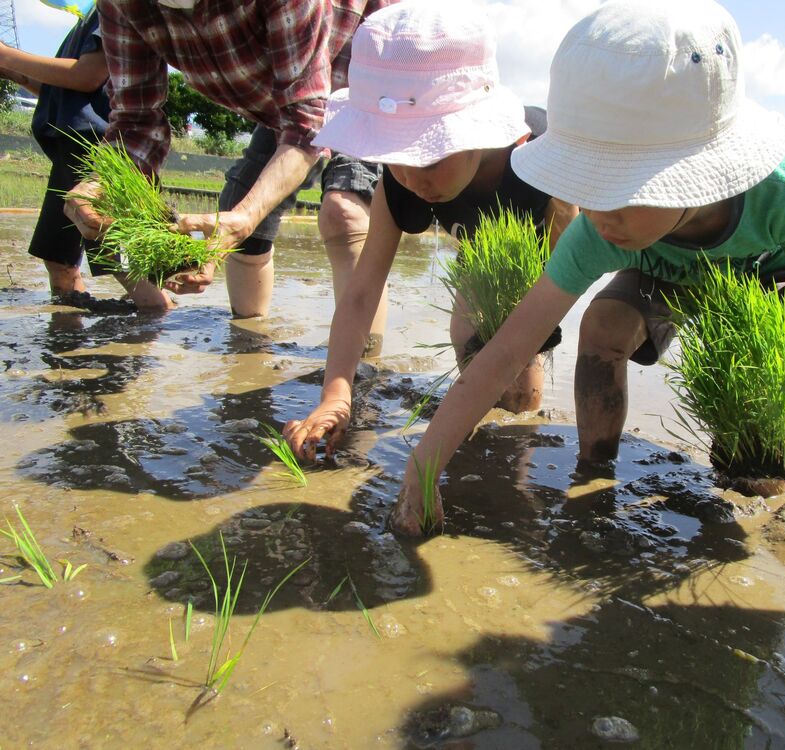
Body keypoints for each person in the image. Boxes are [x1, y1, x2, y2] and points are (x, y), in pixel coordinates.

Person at [389, 0, 785, 535]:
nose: (595, 211)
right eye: (585, 185)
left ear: (696, 168)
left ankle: (762, 519)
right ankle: (593, 471)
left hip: (764, 284)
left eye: (619, 186)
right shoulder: (605, 225)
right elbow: (507, 349)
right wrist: (423, 464)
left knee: (757, 451)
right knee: (604, 327)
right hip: (662, 270)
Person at [282, 1, 577, 461]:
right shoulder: (400, 184)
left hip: (538, 254)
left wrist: (527, 341)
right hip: (478, 246)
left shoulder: (543, 163)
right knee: (467, 335)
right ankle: (475, 430)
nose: (413, 177)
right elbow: (360, 295)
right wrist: (336, 393)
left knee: (519, 380)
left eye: (430, 156)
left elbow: (564, 270)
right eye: (394, 155)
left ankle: (517, 445)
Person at [63, 0, 394, 317]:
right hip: (283, 97)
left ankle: (362, 369)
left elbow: (304, 126)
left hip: (363, 74)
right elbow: (136, 122)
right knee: (238, 206)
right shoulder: (122, 5)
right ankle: (248, 346)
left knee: (344, 213)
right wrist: (102, 181)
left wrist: (245, 217)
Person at [0, 7, 171, 308]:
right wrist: (14, 70)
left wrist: (6, 56)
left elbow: (87, 76)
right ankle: (67, 339)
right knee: (59, 260)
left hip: (96, 147)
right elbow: (62, 90)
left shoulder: (116, 8)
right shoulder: (91, 14)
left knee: (123, 264)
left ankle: (160, 329)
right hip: (72, 144)